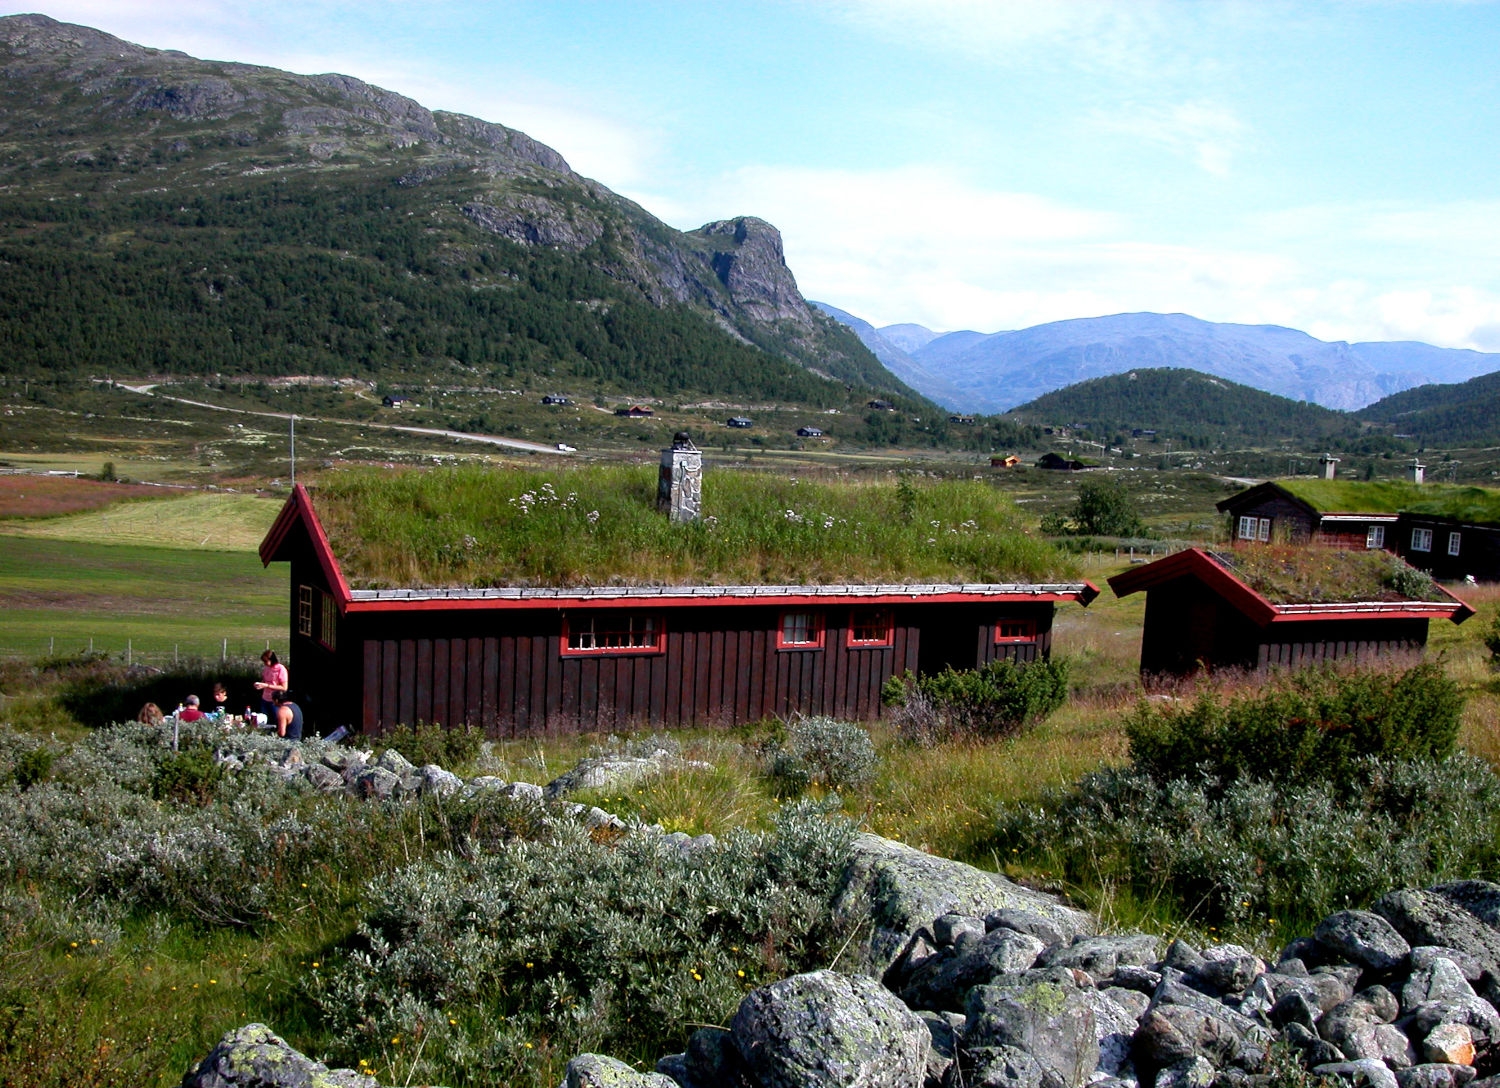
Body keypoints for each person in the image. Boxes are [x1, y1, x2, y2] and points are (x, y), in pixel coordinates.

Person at [255, 649, 288, 720]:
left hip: (275, 700)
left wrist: (268, 686)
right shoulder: (266, 668)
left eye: (266, 661)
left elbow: (284, 688)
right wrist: (260, 685)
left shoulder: (281, 669)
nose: (265, 663)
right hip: (265, 698)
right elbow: (264, 680)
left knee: (276, 720)